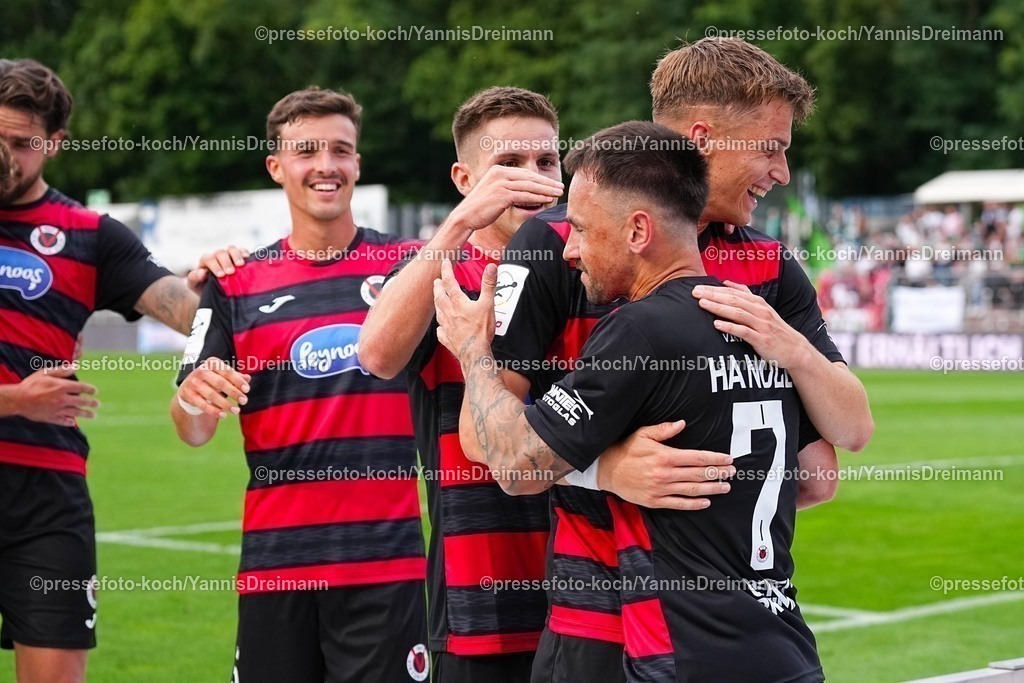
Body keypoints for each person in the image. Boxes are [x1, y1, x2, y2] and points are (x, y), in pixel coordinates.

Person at [463, 38, 869, 682]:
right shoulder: (561, 247)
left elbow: (837, 450)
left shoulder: (767, 263)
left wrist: (789, 345)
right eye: (771, 147)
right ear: (705, 138)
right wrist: (607, 470)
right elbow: (488, 445)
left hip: (666, 619)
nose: (782, 171)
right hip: (621, 618)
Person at [171, 87, 427, 683]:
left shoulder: (410, 266)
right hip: (276, 566)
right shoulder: (234, 283)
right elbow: (193, 429)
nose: (326, 166)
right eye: (307, 151)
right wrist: (192, 394)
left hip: (384, 566)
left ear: (358, 164)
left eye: (341, 150)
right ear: (277, 166)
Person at [0, 58, 198, 683]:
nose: (5, 155)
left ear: (55, 144)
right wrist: (14, 400)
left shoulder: (90, 236)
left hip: (47, 498)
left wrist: (250, 283)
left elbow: (193, 315)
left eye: (21, 143)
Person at [360, 86, 565, 682]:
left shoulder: (590, 274)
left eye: (546, 162)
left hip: (596, 598)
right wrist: (457, 226)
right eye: (508, 163)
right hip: (483, 602)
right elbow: (376, 354)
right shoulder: (444, 275)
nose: (531, 178)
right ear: (464, 177)